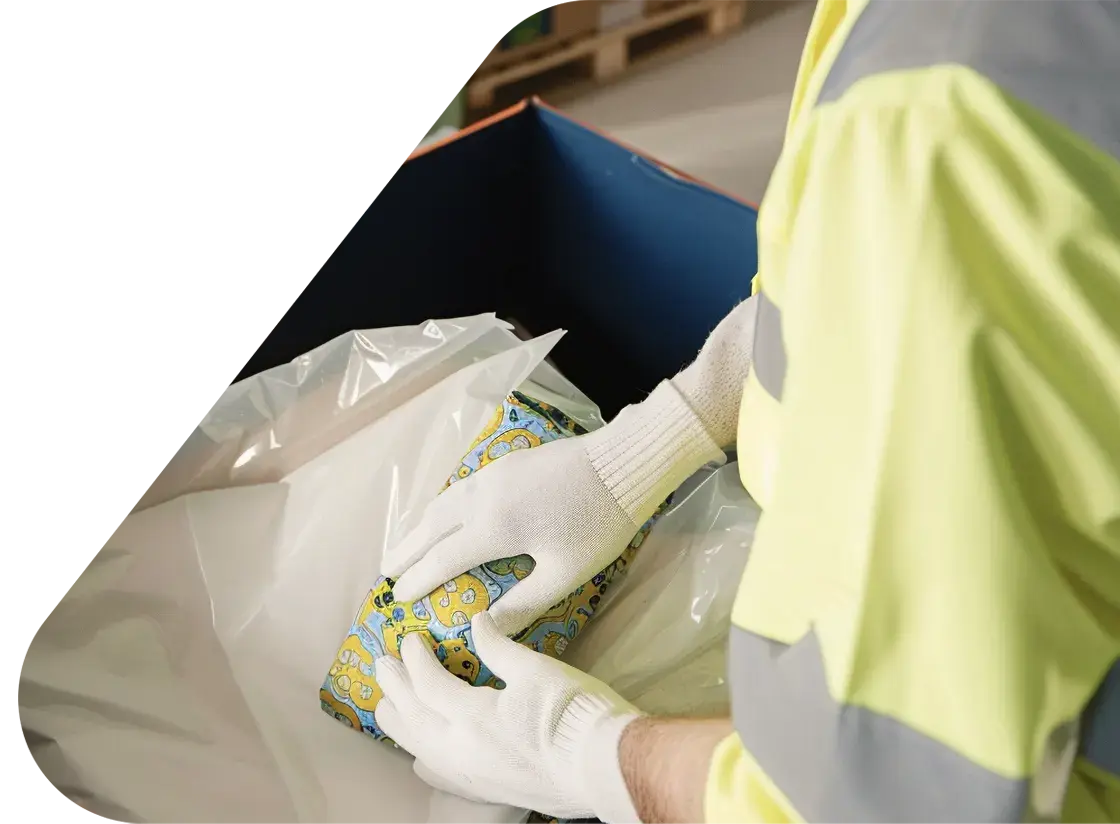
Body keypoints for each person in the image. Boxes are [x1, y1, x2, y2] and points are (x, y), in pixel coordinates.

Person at [372, 0, 1120, 821]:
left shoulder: (943, 117)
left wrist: (597, 758)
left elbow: (899, 797)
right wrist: (649, 445)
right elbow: (891, 282)